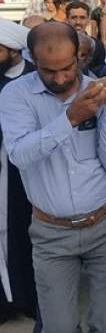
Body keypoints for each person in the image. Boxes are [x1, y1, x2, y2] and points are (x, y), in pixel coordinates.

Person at [0, 22, 106, 333]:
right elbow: (19, 155)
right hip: (51, 232)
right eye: (49, 71)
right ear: (32, 60)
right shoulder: (15, 95)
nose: (60, 78)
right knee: (57, 326)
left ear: (79, 57)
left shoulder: (97, 89)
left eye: (67, 68)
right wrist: (70, 118)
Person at [0, 20, 37, 327]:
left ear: (14, 50)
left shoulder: (35, 78)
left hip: (26, 174)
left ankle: (30, 299)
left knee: (27, 235)